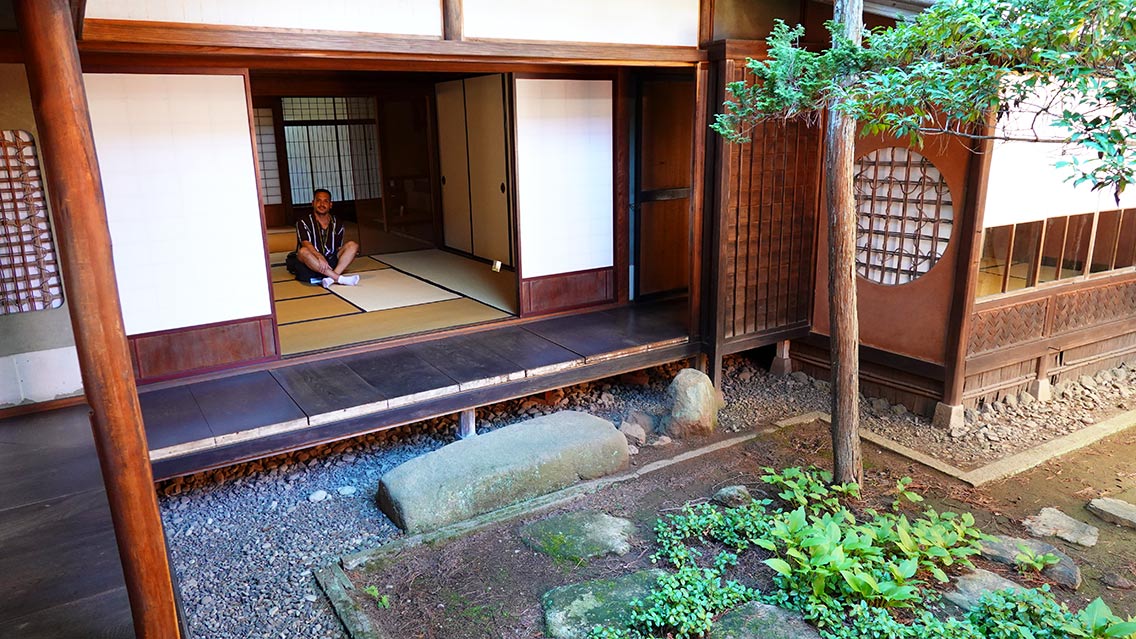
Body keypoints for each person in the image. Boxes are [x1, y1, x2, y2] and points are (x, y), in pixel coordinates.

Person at [285, 188, 360, 288]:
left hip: (330, 260)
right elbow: (306, 244)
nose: (322, 204)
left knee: (353, 245)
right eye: (318, 201)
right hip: (311, 259)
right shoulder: (303, 222)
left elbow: (338, 247)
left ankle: (329, 278)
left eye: (325, 201)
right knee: (303, 251)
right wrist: (319, 256)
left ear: (330, 205)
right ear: (313, 203)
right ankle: (338, 278)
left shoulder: (337, 223)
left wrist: (350, 255)